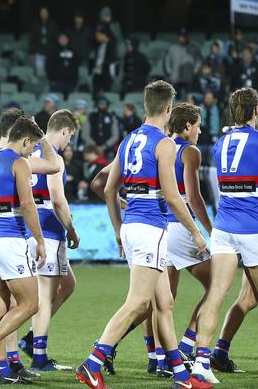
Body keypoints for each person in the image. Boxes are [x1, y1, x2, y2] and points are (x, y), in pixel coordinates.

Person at [76, 80, 210, 389]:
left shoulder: (128, 140)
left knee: (163, 303)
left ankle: (180, 377)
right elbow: (173, 197)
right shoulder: (163, 144)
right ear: (167, 109)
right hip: (152, 228)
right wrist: (196, 233)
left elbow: (108, 189)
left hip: (133, 225)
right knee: (138, 303)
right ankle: (93, 362)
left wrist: (118, 231)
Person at [0, 116, 47, 383]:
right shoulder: (19, 163)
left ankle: (1, 369)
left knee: (1, 306)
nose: (31, 151)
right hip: (11, 239)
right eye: (32, 146)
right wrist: (39, 240)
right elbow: (27, 205)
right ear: (25, 140)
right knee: (30, 304)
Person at [193, 87, 258, 384]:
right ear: (255, 111)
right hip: (252, 229)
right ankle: (216, 352)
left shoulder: (221, 143)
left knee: (219, 296)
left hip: (223, 229)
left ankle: (205, 360)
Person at [26, 110, 80, 373]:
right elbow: (58, 198)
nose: (69, 142)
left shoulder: (27, 149)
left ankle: (29, 338)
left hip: (27, 225)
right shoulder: (53, 158)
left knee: (68, 284)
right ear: (66, 131)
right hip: (48, 227)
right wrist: (71, 229)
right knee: (44, 296)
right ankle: (39, 355)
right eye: (71, 137)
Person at [163, 104, 213, 367]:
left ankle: (160, 356)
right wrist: (208, 229)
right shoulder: (189, 151)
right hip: (181, 227)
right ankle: (186, 345)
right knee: (216, 286)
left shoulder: (161, 146)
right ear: (186, 127)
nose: (200, 130)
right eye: (197, 125)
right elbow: (193, 197)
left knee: (164, 298)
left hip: (159, 227)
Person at [47, 32, 78, 99]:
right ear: (58, 40)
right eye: (61, 39)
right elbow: (49, 66)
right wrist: (52, 79)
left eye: (65, 38)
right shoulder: (53, 50)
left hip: (70, 82)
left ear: (68, 39)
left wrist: (75, 80)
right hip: (58, 81)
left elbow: (75, 66)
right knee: (57, 100)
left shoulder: (73, 50)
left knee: (70, 101)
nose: (63, 40)